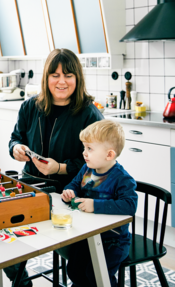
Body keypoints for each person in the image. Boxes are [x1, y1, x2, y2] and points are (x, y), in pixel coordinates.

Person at [6, 48, 103, 287]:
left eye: (68, 75)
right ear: (46, 78)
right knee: (5, 243)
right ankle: (22, 282)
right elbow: (15, 138)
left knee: (81, 263)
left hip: (71, 193)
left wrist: (59, 168)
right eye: (55, 75)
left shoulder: (89, 114)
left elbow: (97, 164)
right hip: (31, 187)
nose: (61, 81)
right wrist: (16, 148)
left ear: (77, 78)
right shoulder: (30, 107)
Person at [60, 119, 138, 287]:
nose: (84, 153)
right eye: (84, 148)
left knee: (96, 275)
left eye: (89, 148)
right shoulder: (87, 169)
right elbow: (74, 184)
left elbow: (129, 206)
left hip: (113, 241)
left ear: (109, 155)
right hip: (88, 235)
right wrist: (69, 191)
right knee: (74, 270)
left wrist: (94, 205)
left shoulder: (122, 179)